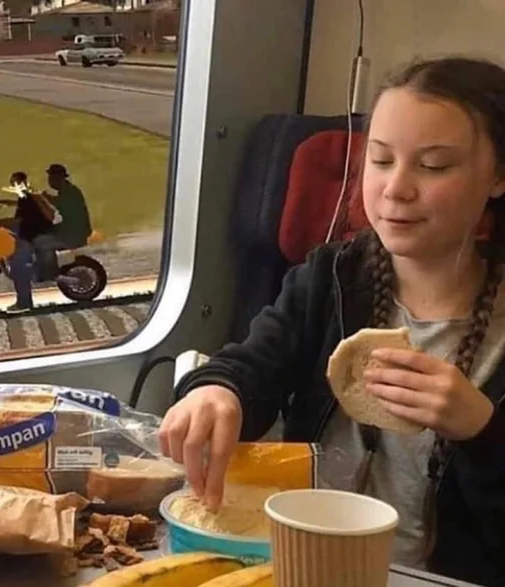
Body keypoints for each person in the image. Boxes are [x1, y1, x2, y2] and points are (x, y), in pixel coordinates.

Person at [158, 56, 505, 586]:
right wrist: (216, 392)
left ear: (498, 175)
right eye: (381, 160)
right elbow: (253, 366)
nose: (396, 188)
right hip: (305, 565)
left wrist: (482, 430)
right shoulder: (331, 278)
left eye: (434, 166)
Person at [0, 171, 57, 313]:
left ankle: (24, 302)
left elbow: (18, 220)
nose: (16, 186)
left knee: (18, 267)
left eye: (17, 183)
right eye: (14, 183)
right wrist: (4, 203)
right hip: (31, 231)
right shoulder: (26, 195)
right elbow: (22, 206)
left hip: (31, 235)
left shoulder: (26, 197)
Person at [36, 163, 93, 281]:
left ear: (58, 178)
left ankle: (49, 273)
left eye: (51, 177)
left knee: (40, 243)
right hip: (72, 229)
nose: (49, 181)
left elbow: (59, 205)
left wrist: (43, 198)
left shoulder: (70, 193)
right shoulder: (68, 190)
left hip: (74, 233)